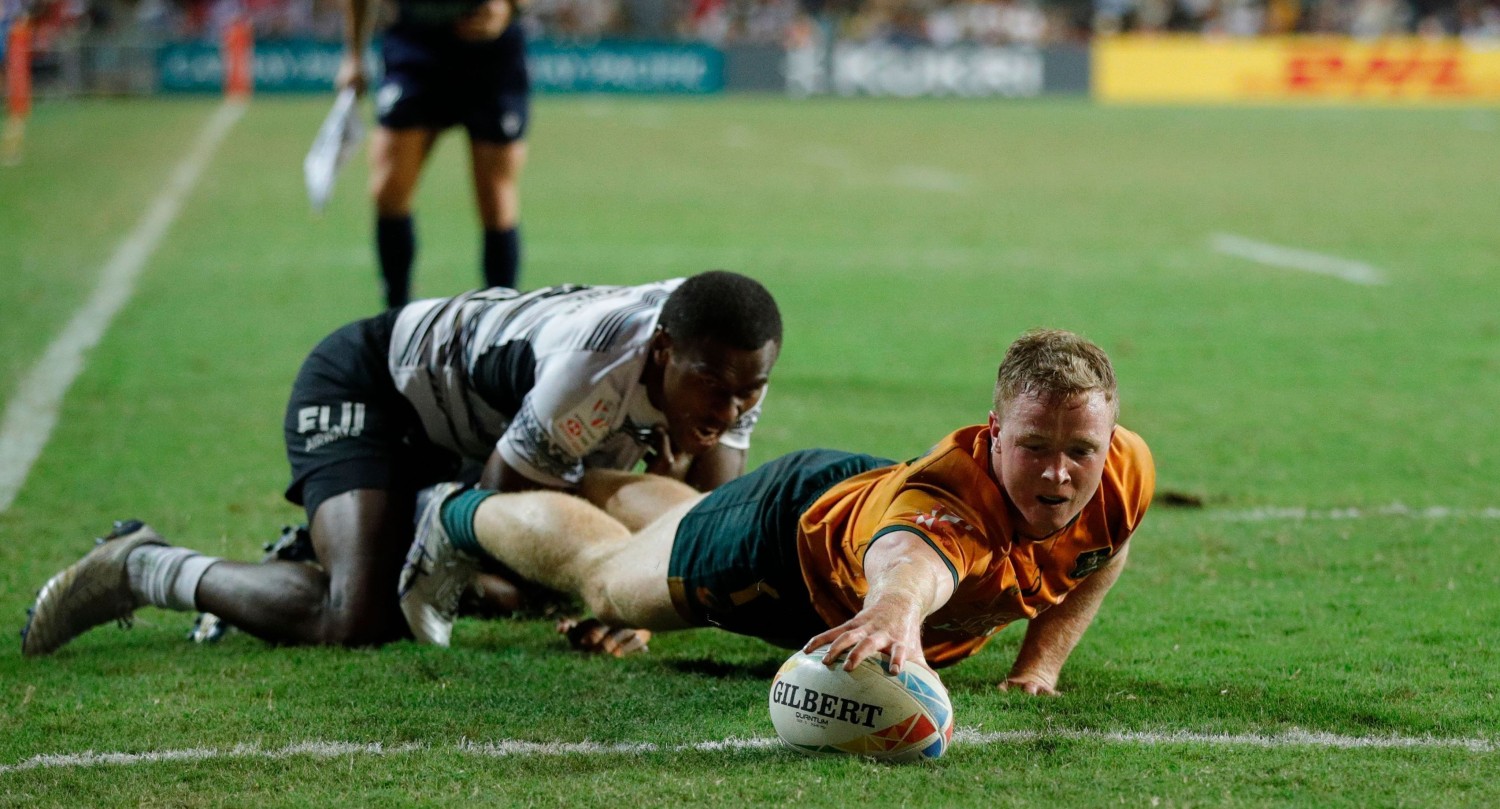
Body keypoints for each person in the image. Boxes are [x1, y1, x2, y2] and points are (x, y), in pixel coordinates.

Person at [21, 272, 783, 656]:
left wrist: (635, 609)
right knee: (358, 616)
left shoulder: (724, 360)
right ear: (661, 352)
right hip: (376, 387)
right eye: (712, 388)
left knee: (515, 585)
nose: (727, 410)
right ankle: (142, 565)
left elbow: (700, 530)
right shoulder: (592, 367)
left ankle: (335, 541)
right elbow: (499, 515)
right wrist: (610, 591)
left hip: (477, 431)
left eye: (746, 392)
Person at [398, 328, 1154, 691]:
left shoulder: (1123, 471)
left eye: (1081, 449)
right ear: (994, 434)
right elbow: (910, 559)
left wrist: (1038, 668)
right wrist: (893, 614)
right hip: (776, 551)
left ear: (1107, 438)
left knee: (680, 519)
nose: (1059, 473)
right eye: (1033, 446)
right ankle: (453, 510)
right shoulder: (946, 501)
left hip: (847, 492)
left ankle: (595, 483)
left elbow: (1105, 548)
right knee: (603, 582)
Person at [338, 0, 530, 308]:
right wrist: (354, 55)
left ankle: (502, 324)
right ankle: (396, 317)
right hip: (417, 44)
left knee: (496, 199)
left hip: (489, 50)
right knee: (389, 189)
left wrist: (509, 7)